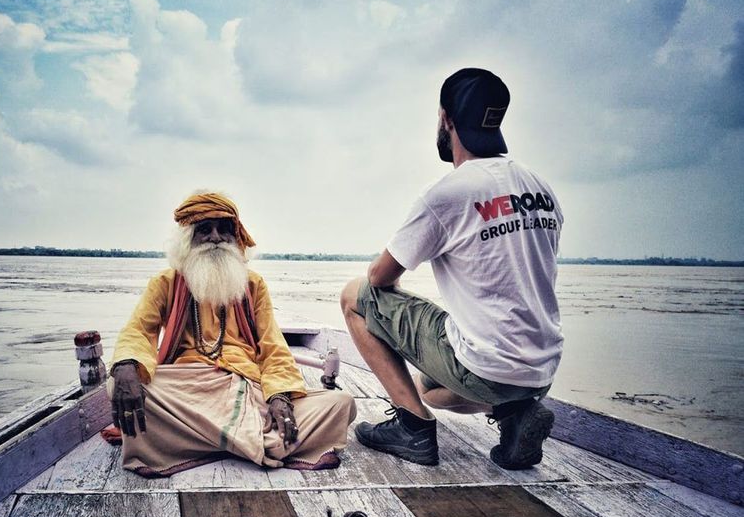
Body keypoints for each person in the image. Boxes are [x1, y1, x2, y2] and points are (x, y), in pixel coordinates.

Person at [340, 68, 564, 470]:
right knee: (431, 389)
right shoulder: (540, 188)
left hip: (486, 367)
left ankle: (412, 429)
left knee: (355, 297)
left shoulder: (449, 193)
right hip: (540, 372)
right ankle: (515, 415)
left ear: (446, 118)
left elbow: (379, 280)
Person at [108, 192, 356, 476]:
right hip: (190, 391)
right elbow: (139, 330)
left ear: (236, 236)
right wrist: (127, 363)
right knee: (119, 384)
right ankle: (257, 442)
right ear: (188, 238)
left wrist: (278, 396)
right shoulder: (166, 282)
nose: (216, 237)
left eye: (224, 229)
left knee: (341, 405)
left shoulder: (252, 285)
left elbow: (273, 348)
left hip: (248, 388)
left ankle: (200, 441)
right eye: (205, 229)